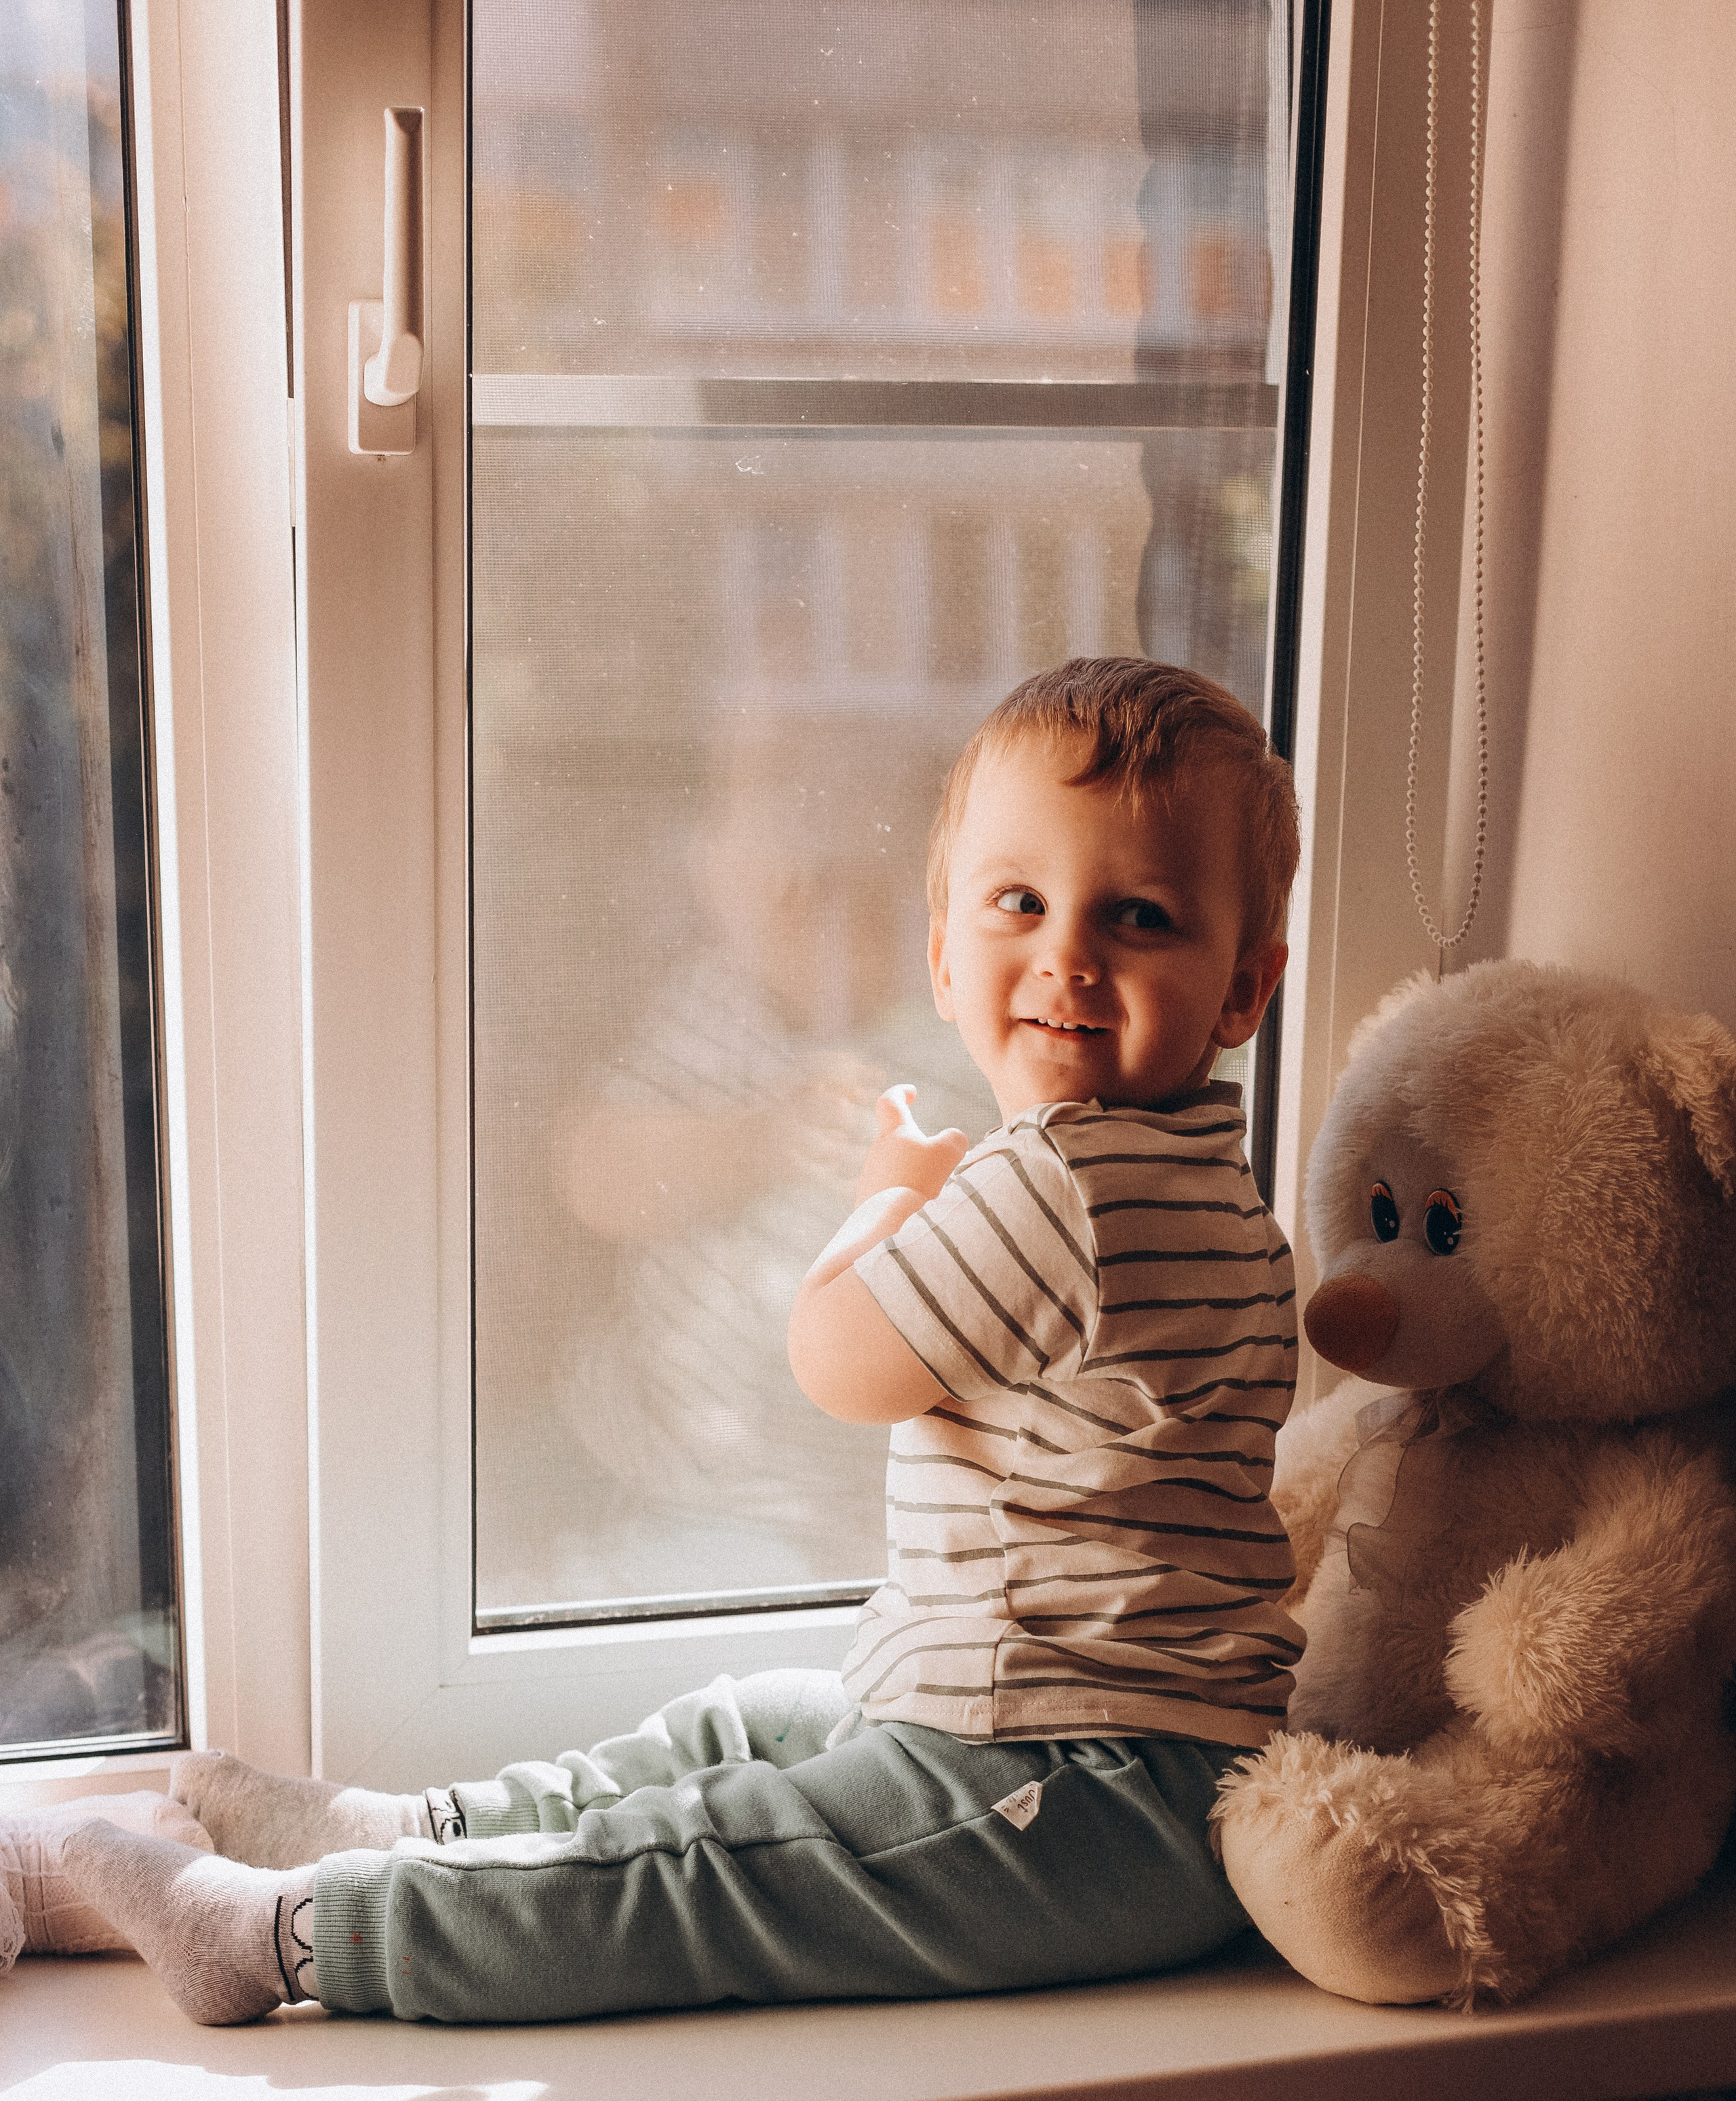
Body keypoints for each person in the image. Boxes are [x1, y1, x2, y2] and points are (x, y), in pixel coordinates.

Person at [52, 656, 1303, 2026]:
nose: (1068, 954)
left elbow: (838, 1359)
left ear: (1241, 990)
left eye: (1138, 916)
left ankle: (291, 1933)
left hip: (1070, 1785)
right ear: (947, 951)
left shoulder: (1064, 1181)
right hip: (1102, 1768)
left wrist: (886, 1199)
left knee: (693, 1872)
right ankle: (389, 1829)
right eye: (1022, 902)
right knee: (750, 1722)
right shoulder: (1207, 1191)